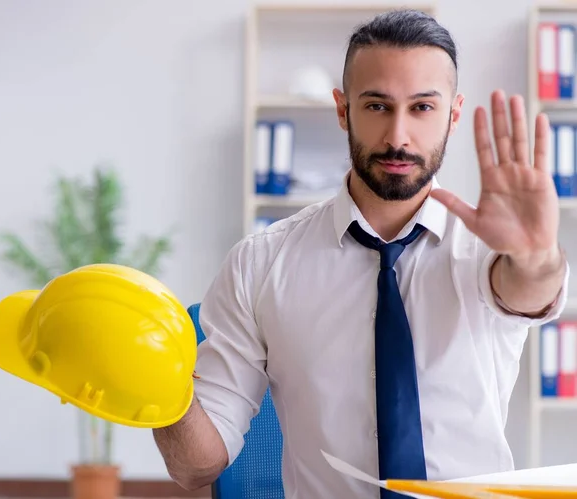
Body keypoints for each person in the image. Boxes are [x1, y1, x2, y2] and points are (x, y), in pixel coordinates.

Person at [153, 8, 570, 498]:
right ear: (342, 108)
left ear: (453, 114)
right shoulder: (259, 265)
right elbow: (195, 467)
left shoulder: (488, 251)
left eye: (422, 108)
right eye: (376, 106)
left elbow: (525, 289)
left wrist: (538, 254)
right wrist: (157, 386)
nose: (397, 136)